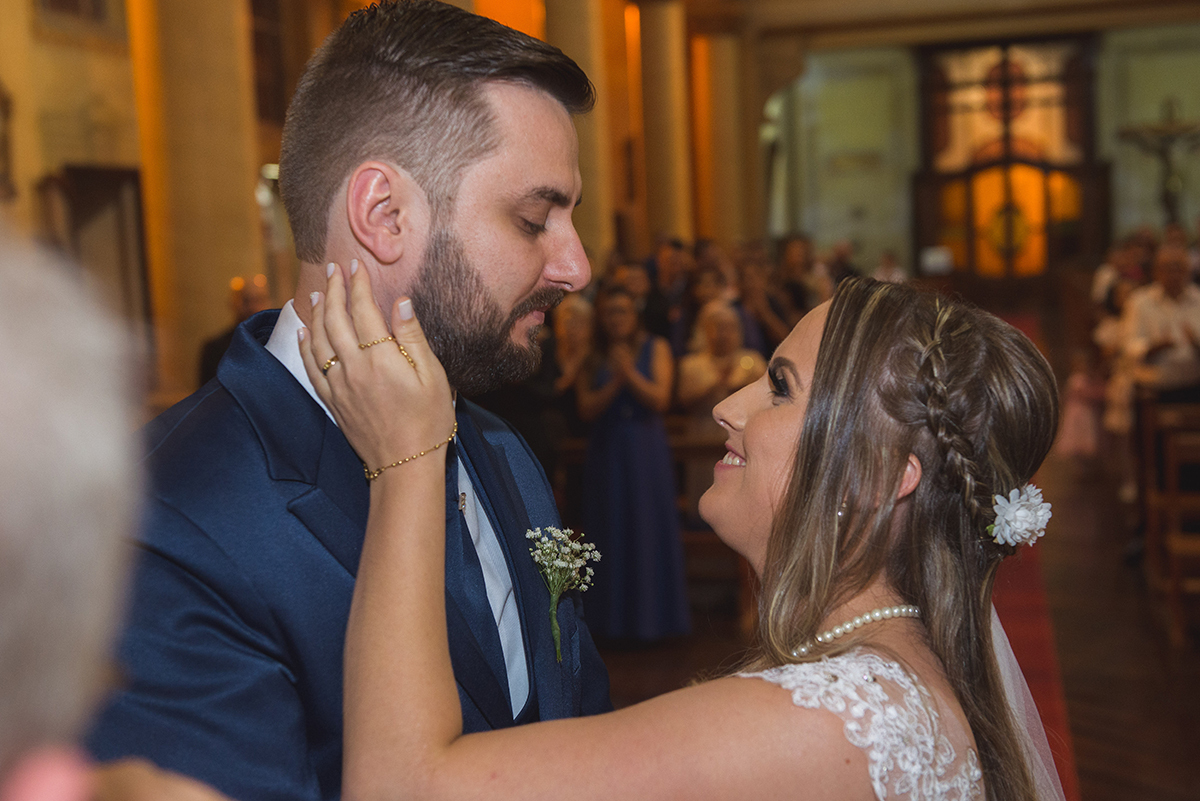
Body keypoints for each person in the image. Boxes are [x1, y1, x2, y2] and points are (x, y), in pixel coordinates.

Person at [86, 3, 611, 799]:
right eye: (534, 218)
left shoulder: (500, 449)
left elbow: (573, 725)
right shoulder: (162, 521)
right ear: (383, 215)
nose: (577, 265)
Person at [300, 268, 1067, 801]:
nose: (728, 405)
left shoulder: (834, 716)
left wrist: (406, 461)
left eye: (779, 387)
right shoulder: (903, 677)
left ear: (879, 474)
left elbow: (401, 787)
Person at [576, 286, 690, 641]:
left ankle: (654, 622)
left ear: (634, 314)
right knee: (610, 527)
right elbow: (586, 409)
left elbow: (661, 398)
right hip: (608, 449)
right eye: (610, 312)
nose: (617, 318)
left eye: (623, 311)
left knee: (647, 525)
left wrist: (630, 374)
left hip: (645, 449)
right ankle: (609, 622)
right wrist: (615, 382)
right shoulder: (592, 355)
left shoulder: (656, 346)